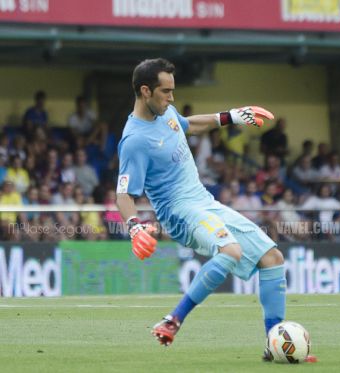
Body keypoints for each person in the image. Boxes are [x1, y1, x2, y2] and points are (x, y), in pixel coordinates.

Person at [115, 58, 307, 362]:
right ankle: (173, 320)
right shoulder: (135, 140)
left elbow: (190, 123)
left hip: (204, 203)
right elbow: (123, 194)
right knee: (229, 251)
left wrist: (234, 116)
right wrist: (134, 225)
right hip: (179, 213)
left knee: (272, 258)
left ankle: (273, 343)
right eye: (166, 92)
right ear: (145, 91)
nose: (172, 98)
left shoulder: (165, 112)